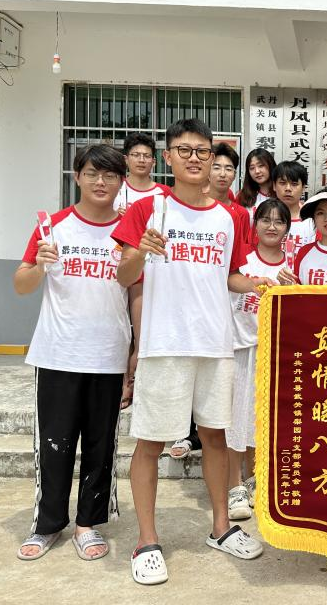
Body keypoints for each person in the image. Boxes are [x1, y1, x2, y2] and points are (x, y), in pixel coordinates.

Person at [114, 118, 275, 585]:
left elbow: (229, 277)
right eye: (183, 150)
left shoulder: (230, 217)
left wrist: (259, 284)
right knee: (151, 442)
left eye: (203, 151)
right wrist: (140, 252)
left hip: (214, 344)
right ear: (167, 157)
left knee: (216, 438)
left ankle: (221, 528)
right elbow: (124, 276)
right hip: (165, 344)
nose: (194, 158)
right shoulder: (148, 208)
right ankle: (147, 541)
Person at [14, 144, 135, 562]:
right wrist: (39, 265)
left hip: (108, 354)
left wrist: (134, 352)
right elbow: (21, 284)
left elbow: (136, 293)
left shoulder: (129, 230)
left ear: (121, 182)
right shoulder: (54, 227)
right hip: (58, 354)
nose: (101, 182)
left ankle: (88, 524)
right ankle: (47, 524)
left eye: (110, 175)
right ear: (77, 176)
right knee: (55, 444)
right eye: (92, 173)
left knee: (101, 446)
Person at [169, 142, 251, 460]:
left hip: (222, 308)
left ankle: (202, 437)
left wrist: (255, 285)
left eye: (229, 168)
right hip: (178, 314)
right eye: (218, 166)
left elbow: (235, 267)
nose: (222, 173)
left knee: (214, 393)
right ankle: (184, 432)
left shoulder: (236, 215)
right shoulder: (172, 207)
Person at [226, 198, 290, 521]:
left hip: (275, 353)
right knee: (236, 420)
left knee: (260, 420)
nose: (271, 226)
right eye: (265, 220)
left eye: (279, 221)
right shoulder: (243, 261)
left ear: (287, 229)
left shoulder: (291, 266)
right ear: (255, 225)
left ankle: (253, 478)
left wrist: (293, 289)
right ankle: (233, 486)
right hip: (240, 349)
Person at [114, 132, 169, 214]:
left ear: (153, 162)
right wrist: (114, 215)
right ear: (126, 160)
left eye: (147, 156)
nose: (141, 160)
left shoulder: (165, 192)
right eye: (136, 155)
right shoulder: (114, 188)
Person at [273, 160, 317, 253]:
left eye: (294, 184)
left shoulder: (313, 220)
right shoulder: (264, 217)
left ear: (303, 187)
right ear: (274, 186)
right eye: (282, 183)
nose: (288, 188)